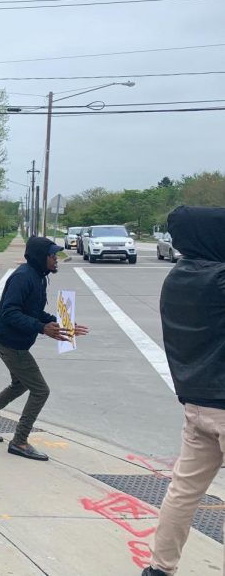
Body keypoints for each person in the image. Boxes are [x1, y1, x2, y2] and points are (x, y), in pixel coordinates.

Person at [142, 206, 225, 576]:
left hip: (197, 405)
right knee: (184, 491)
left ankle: (160, 568)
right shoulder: (220, 279)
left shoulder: (177, 278)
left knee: (184, 493)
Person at [0, 236, 88, 461]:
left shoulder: (39, 277)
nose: (56, 259)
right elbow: (10, 312)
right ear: (41, 258)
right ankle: (20, 441)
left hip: (15, 340)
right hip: (11, 343)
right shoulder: (23, 278)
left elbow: (33, 311)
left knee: (19, 384)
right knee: (41, 390)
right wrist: (42, 328)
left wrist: (63, 325)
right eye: (52, 255)